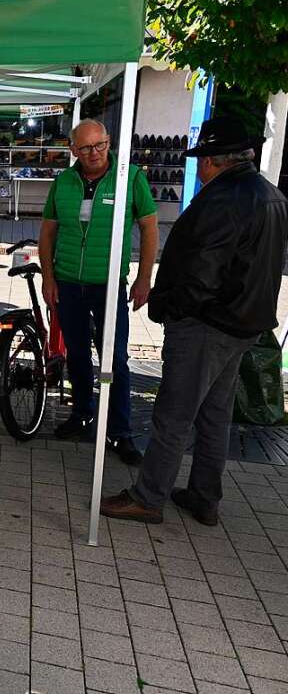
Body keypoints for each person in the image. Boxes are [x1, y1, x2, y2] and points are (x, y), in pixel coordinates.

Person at [102, 117, 288, 525]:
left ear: (214, 162)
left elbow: (202, 272)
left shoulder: (225, 199)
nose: (198, 168)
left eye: (202, 159)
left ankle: (149, 497)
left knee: (175, 413)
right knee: (214, 414)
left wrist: (174, 309)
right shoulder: (269, 194)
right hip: (242, 322)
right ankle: (205, 496)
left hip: (208, 323)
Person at [39, 119, 158, 465]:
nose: (95, 154)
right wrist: (49, 277)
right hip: (68, 283)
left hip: (108, 284)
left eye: (101, 145)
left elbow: (149, 228)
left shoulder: (129, 178)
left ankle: (119, 431)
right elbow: (47, 231)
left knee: (116, 359)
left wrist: (144, 277)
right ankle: (82, 414)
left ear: (109, 142)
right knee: (76, 353)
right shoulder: (63, 182)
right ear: (73, 150)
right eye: (86, 148)